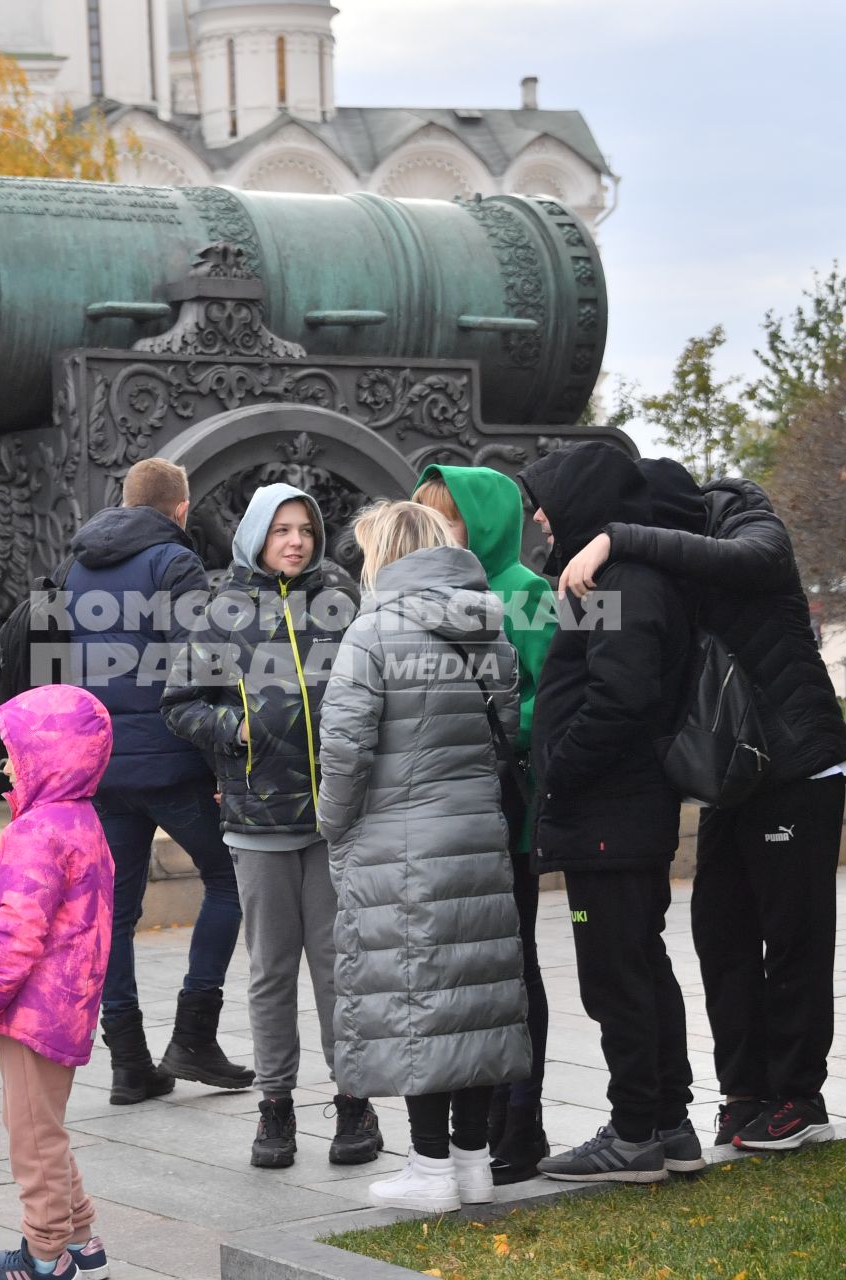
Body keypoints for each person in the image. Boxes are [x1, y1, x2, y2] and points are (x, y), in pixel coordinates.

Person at [557, 457, 846, 1151]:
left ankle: (799, 1096)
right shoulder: (655, 563)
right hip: (731, 773)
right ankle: (744, 1090)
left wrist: (618, 539)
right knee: (721, 934)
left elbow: (759, 557)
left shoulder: (740, 513)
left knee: (795, 933)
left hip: (797, 764)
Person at [318, 500, 528, 1214]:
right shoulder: (487, 623)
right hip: (476, 832)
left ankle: (429, 1171)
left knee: (416, 1005)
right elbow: (505, 726)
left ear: (386, 555)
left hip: (398, 840)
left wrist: (334, 829)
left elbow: (345, 751)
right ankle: (473, 1165)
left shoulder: (371, 631)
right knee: (469, 1004)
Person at [162, 483, 380, 1169]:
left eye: (306, 530)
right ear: (256, 534)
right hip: (258, 824)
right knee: (272, 973)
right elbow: (181, 703)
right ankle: (275, 1107)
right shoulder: (222, 611)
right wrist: (240, 728)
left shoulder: (340, 599)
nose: (296, 541)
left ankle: (353, 1103)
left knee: (338, 972)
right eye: (282, 529)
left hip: (334, 822)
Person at [521, 443, 700, 1185]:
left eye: (546, 500)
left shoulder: (623, 578)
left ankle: (633, 1133)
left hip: (609, 814)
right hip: (618, 813)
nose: (537, 515)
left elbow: (619, 697)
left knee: (615, 977)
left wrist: (559, 774)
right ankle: (667, 1122)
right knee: (641, 966)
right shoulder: (614, 574)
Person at [60, 457, 250, 1103]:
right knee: (231, 880)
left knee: (115, 912)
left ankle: (129, 1063)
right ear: (180, 509)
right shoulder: (175, 562)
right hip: (172, 760)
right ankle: (194, 1034)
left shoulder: (77, 566)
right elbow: (205, 663)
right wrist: (226, 757)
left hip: (101, 762)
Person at [413, 464, 556, 1183]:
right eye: (429, 519)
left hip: (505, 807)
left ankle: (521, 1124)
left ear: (488, 523)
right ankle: (483, 1118)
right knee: (469, 975)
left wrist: (476, 726)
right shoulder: (432, 596)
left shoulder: (524, 595)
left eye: (452, 519)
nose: (439, 533)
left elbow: (547, 701)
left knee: (514, 968)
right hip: (448, 810)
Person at [0, 684, 117, 1279]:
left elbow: (15, 934)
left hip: (33, 1011)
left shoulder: (37, 832)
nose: (6, 763)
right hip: (67, 1005)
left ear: (46, 757)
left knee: (31, 1136)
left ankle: (45, 1254)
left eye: (15, 751)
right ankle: (81, 1238)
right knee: (45, 1125)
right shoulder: (80, 820)